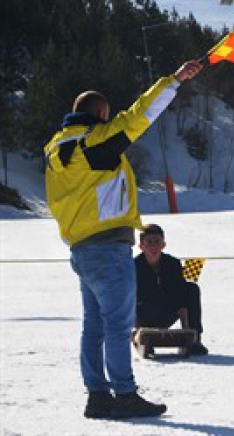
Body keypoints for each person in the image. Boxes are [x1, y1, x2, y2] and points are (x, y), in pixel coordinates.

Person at [44, 60, 203, 419]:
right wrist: (174, 80)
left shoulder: (55, 148)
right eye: (107, 114)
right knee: (118, 324)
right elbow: (139, 115)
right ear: (101, 113)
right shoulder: (96, 142)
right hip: (108, 247)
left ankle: (97, 396)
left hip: (81, 249)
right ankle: (125, 395)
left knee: (94, 326)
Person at [134, 224, 208, 356]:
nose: (153, 246)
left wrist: (186, 330)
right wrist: (137, 331)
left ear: (163, 244)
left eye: (157, 242)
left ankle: (196, 339)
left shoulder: (172, 264)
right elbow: (130, 301)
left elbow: (180, 297)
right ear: (141, 246)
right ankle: (142, 339)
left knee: (191, 288)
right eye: (149, 242)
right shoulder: (134, 266)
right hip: (144, 314)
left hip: (166, 311)